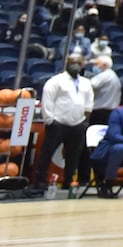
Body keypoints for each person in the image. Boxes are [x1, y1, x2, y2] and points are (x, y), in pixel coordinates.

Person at [40, 53, 94, 195]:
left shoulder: (86, 82)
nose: (75, 65)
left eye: (78, 62)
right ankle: (39, 182)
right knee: (47, 153)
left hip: (78, 124)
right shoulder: (56, 81)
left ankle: (68, 182)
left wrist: (84, 122)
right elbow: (47, 100)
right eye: (72, 62)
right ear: (66, 63)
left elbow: (89, 103)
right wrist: (50, 120)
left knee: (73, 156)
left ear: (82, 64)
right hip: (58, 124)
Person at [88, 55, 122, 132]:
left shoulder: (105, 75)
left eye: (97, 64)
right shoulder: (112, 75)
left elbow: (90, 85)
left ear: (104, 65)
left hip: (101, 111)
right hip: (109, 110)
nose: (94, 67)